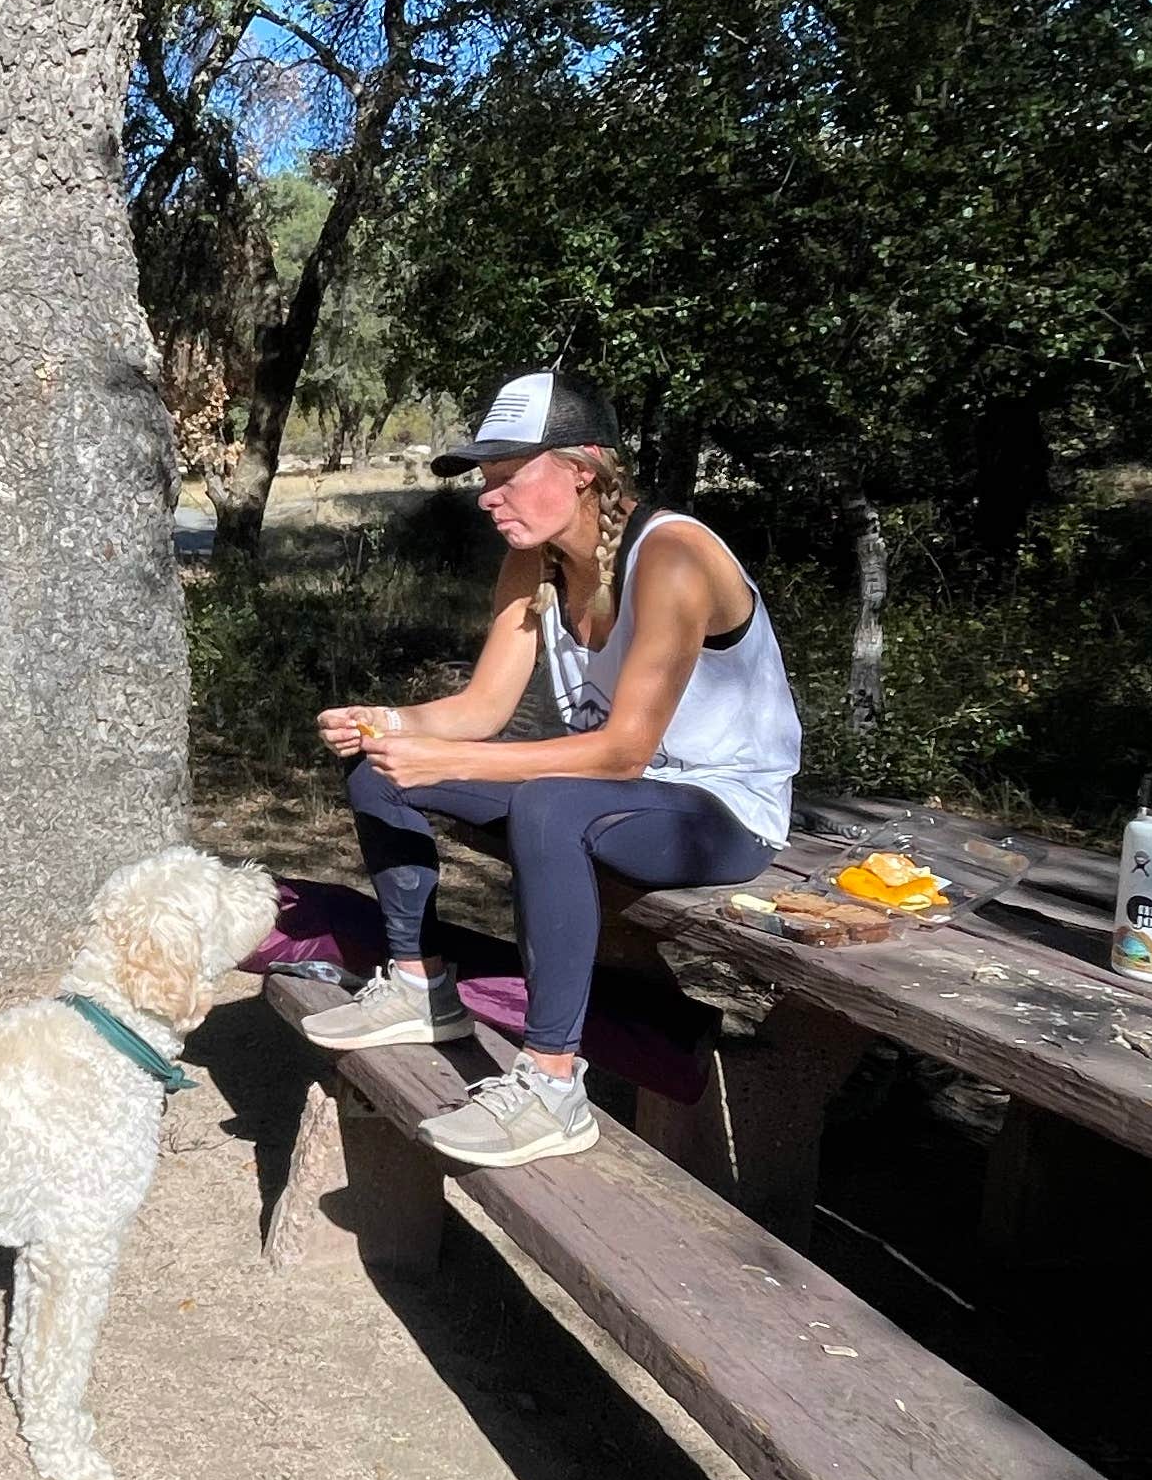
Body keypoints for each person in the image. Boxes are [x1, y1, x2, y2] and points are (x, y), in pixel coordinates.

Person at [288, 367, 802, 1166]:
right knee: (381, 765)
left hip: (718, 813)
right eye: (484, 481)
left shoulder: (671, 557)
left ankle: (554, 1085)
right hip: (604, 793)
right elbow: (482, 709)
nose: (490, 497)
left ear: (583, 468)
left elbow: (626, 750)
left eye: (507, 476)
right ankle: (419, 981)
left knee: (549, 807)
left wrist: (451, 756)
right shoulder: (536, 561)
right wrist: (389, 723)